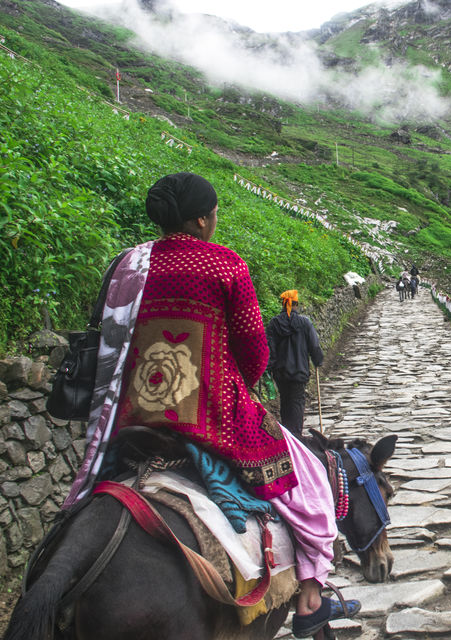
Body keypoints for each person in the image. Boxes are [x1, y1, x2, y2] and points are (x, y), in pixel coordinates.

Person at [62, 172, 355, 638]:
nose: (215, 221)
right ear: (200, 220)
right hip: (213, 414)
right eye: (214, 214)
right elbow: (254, 353)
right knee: (309, 481)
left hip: (131, 412)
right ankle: (312, 596)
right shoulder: (224, 266)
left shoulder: (127, 264)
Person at [266, 290, 324, 436]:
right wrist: (317, 360)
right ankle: (296, 436)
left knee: (285, 402)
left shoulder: (274, 324)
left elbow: (270, 350)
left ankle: (288, 435)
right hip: (299, 372)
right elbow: (314, 345)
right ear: (296, 304)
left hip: (281, 373)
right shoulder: (304, 323)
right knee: (297, 403)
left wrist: (270, 367)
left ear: (282, 304)